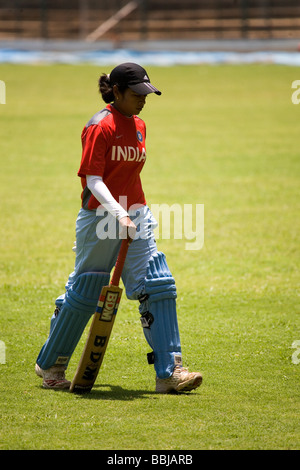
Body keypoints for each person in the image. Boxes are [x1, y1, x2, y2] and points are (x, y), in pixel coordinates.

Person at [35, 62, 202, 393]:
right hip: (100, 219)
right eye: (137, 93)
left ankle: (170, 372)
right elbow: (93, 180)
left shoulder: (139, 124)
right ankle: (51, 363)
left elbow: (131, 175)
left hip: (137, 213)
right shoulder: (100, 126)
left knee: (157, 285)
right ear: (117, 91)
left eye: (146, 93)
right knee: (86, 293)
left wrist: (132, 214)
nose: (143, 99)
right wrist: (118, 214)